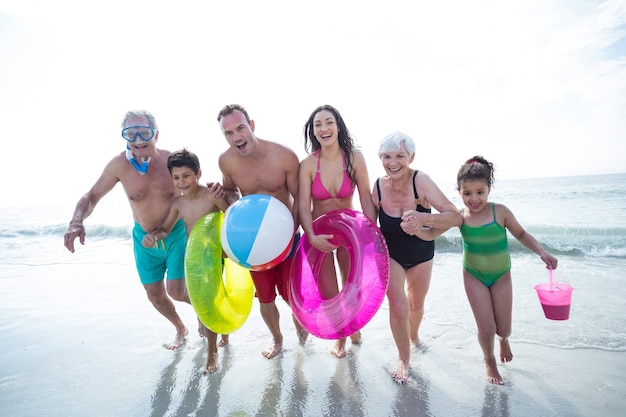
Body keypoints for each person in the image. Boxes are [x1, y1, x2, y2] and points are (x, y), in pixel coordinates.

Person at [64, 110, 201, 350]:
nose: (138, 139)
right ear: (125, 137)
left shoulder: (171, 162)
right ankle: (180, 328)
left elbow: (195, 192)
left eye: (144, 132)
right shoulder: (119, 166)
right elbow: (92, 196)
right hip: (143, 239)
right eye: (130, 133)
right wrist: (76, 221)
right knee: (154, 295)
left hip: (175, 234)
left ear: (155, 134)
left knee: (177, 291)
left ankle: (205, 316)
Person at [418, 156, 558, 385]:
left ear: (489, 190)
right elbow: (430, 234)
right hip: (474, 276)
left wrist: (542, 252)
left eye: (480, 192)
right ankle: (489, 362)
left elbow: (521, 234)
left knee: (504, 328)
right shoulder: (459, 217)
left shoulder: (500, 212)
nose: (474, 199)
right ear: (459, 192)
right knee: (486, 327)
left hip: (501, 275)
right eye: (467, 193)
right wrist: (414, 229)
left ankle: (504, 340)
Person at [216, 104, 308, 359]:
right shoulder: (226, 161)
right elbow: (232, 193)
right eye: (228, 133)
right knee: (265, 298)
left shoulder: (284, 156)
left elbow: (300, 198)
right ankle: (277, 340)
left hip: (288, 237)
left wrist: (292, 235)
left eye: (240, 128)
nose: (236, 137)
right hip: (254, 244)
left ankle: (299, 322)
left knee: (290, 294)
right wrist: (220, 195)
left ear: (252, 125)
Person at [371, 131, 462, 383]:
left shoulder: (421, 181)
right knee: (399, 305)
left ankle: (414, 337)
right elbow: (368, 225)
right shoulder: (378, 187)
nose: (393, 162)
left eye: (399, 155)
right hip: (392, 255)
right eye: (386, 156)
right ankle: (404, 358)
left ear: (411, 156)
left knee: (416, 305)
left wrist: (424, 218)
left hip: (422, 255)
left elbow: (455, 216)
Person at [141, 149, 230, 373]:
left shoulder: (211, 195)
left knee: (209, 301)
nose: (181, 182)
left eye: (186, 176)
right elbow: (165, 229)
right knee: (204, 300)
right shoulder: (178, 205)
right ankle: (222, 334)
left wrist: (230, 252)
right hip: (194, 259)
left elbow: (231, 216)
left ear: (198, 173)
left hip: (214, 255)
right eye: (176, 177)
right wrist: (154, 237)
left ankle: (212, 353)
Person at [298, 104, 377, 358]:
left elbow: (366, 198)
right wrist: (311, 236)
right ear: (313, 132)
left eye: (329, 122)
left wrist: (371, 234)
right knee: (330, 292)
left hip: (349, 232)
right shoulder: (309, 164)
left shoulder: (354, 158)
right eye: (318, 125)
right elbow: (303, 205)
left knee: (353, 286)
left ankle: (352, 325)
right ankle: (341, 337)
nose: (324, 128)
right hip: (318, 234)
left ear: (338, 125)